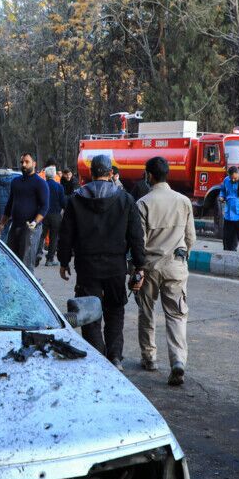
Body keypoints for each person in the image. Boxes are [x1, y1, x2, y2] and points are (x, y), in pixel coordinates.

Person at [58, 154, 146, 369]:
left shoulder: (76, 200)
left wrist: (63, 261)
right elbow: (136, 236)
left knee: (89, 314)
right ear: (110, 173)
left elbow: (66, 234)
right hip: (116, 267)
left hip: (87, 267)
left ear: (91, 173)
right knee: (115, 311)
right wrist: (140, 265)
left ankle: (98, 357)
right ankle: (115, 357)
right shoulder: (125, 199)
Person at [136, 157, 195, 386]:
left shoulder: (143, 203)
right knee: (177, 315)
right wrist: (182, 257)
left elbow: (139, 242)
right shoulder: (183, 201)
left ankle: (149, 357)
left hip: (150, 266)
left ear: (149, 175)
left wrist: (136, 269)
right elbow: (190, 237)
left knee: (146, 311)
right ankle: (178, 361)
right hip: (175, 266)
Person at [0, 153, 50, 270]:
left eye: (27, 162)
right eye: (22, 162)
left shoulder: (40, 183)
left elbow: (45, 206)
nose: (24, 164)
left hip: (30, 229)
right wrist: (2, 223)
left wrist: (35, 222)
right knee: (12, 261)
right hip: (15, 226)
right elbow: (9, 204)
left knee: (26, 264)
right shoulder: (15, 182)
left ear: (34, 164)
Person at [220, 166, 239, 251]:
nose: (233, 180)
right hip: (229, 214)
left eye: (235, 178)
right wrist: (221, 196)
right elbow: (222, 190)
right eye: (231, 178)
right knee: (228, 240)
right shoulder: (226, 180)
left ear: (238, 174)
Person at [43, 171, 67, 267]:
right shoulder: (59, 186)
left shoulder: (43, 184)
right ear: (54, 175)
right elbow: (63, 202)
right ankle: (50, 259)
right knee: (54, 237)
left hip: (43, 214)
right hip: (56, 215)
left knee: (41, 235)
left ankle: (37, 253)